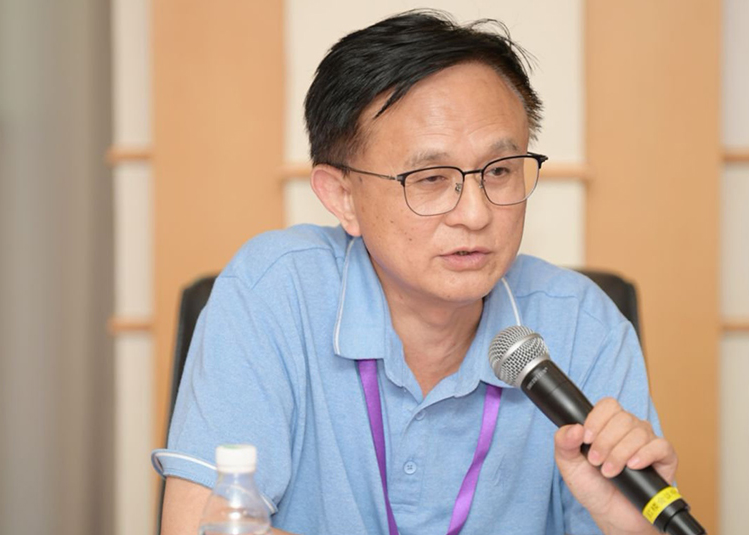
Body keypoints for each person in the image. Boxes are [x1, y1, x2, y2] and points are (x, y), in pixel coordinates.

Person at [153, 10, 677, 535]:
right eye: (429, 178)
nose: (475, 213)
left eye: (499, 171)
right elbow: (201, 527)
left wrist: (630, 530)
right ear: (342, 196)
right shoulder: (274, 292)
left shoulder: (583, 325)